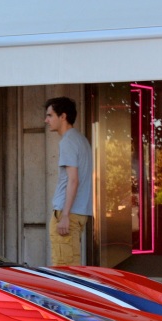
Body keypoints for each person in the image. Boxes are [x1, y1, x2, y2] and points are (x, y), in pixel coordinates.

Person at [45, 97, 93, 265]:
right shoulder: (82, 140)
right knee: (73, 269)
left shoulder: (68, 142)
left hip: (68, 214)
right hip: (79, 213)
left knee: (63, 270)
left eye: (50, 115)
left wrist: (64, 215)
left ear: (63, 116)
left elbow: (73, 180)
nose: (46, 120)